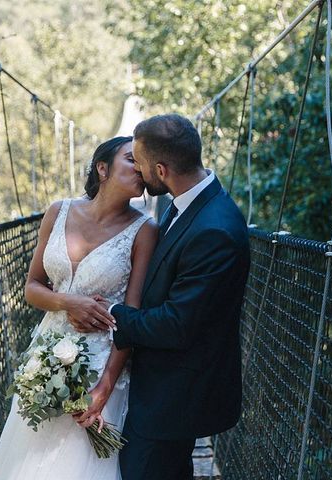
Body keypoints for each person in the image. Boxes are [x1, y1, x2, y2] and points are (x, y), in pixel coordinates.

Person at [74, 114, 250, 480]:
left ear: (161, 168)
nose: (135, 168)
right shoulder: (185, 202)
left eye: (138, 161)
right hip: (156, 383)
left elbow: (176, 325)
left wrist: (112, 312)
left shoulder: (215, 229)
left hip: (175, 397)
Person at [0, 136, 158, 480]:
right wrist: (69, 302)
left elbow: (133, 315)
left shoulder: (145, 230)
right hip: (45, 356)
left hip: (101, 362)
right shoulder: (58, 211)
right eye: (131, 159)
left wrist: (104, 388)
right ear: (102, 168)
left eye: (143, 163)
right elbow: (32, 288)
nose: (140, 169)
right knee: (29, 458)